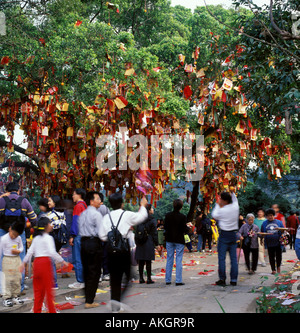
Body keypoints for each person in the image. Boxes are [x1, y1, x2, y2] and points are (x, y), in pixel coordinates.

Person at [99, 193, 148, 313]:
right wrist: (142, 205)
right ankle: (118, 301)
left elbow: (102, 236)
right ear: (122, 203)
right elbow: (141, 217)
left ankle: (115, 306)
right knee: (128, 276)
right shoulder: (126, 215)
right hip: (123, 250)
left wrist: (112, 238)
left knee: (114, 279)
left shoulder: (106, 217)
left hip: (111, 251)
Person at [20, 217, 67, 313]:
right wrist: (63, 261)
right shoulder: (49, 238)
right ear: (46, 227)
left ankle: (37, 311)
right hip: (45, 264)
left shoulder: (36, 238)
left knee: (38, 292)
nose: (51, 225)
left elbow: (30, 253)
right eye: (50, 223)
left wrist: (23, 263)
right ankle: (52, 311)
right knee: (48, 292)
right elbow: (52, 252)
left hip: (37, 264)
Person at [0, 181, 37, 295]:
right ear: (18, 190)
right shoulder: (24, 201)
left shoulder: (1, 201)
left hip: (3, 232)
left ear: (7, 191)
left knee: (2, 259)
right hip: (18, 234)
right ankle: (18, 289)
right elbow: (33, 218)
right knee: (20, 259)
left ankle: (3, 289)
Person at [78, 191, 104, 309]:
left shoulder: (83, 214)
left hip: (83, 243)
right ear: (91, 201)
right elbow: (101, 233)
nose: (100, 201)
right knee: (95, 271)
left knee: (87, 270)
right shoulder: (96, 214)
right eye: (98, 199)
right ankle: (90, 300)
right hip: (94, 243)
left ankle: (88, 296)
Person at [211, 189, 239, 287]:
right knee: (233, 259)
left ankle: (222, 279)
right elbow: (235, 200)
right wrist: (232, 192)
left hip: (223, 235)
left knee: (222, 259)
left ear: (224, 200)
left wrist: (218, 204)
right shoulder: (235, 207)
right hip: (233, 234)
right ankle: (234, 279)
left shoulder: (221, 210)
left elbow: (214, 215)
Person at [164, 199, 189, 286]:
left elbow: (165, 227)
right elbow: (184, 229)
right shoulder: (183, 217)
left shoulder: (167, 216)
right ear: (181, 207)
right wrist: (188, 228)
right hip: (179, 240)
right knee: (178, 259)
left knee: (169, 259)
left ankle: (167, 280)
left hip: (169, 239)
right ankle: (178, 280)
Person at [0, 221, 24, 307]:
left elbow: (21, 247)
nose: (14, 236)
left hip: (16, 259)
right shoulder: (4, 239)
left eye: (16, 235)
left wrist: (19, 251)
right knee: (7, 279)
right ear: (10, 229)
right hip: (7, 259)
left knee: (17, 277)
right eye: (13, 234)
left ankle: (15, 295)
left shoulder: (19, 239)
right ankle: (6, 298)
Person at [46, 195, 67, 289]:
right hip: (59, 240)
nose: (48, 203)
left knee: (50, 260)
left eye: (50, 201)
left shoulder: (51, 214)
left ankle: (53, 283)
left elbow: (49, 227)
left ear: (55, 202)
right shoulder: (62, 213)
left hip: (53, 238)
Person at [68, 188, 87, 289]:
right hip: (85, 235)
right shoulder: (85, 206)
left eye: (74, 194)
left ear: (79, 195)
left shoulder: (78, 206)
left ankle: (80, 281)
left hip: (78, 235)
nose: (72, 196)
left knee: (77, 259)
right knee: (83, 259)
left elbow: (75, 222)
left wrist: (72, 235)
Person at [135, 204, 158, 284]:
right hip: (149, 241)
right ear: (149, 210)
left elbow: (136, 231)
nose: (153, 209)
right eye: (152, 208)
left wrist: (137, 241)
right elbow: (154, 233)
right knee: (148, 261)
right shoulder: (152, 220)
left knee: (141, 260)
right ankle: (148, 278)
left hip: (140, 241)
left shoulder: (139, 219)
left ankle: (141, 278)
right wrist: (157, 243)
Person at [261, 208, 284, 274]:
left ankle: (278, 266)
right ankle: (273, 269)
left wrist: (280, 229)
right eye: (268, 216)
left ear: (274, 215)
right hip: (269, 243)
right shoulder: (264, 223)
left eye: (271, 215)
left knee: (278, 256)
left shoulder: (279, 222)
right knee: (271, 256)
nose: (270, 217)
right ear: (266, 216)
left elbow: (283, 231)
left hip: (278, 242)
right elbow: (262, 232)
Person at [98, 193, 110, 282]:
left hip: (96, 236)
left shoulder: (94, 208)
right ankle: (106, 273)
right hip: (105, 235)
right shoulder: (106, 209)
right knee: (105, 255)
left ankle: (98, 274)